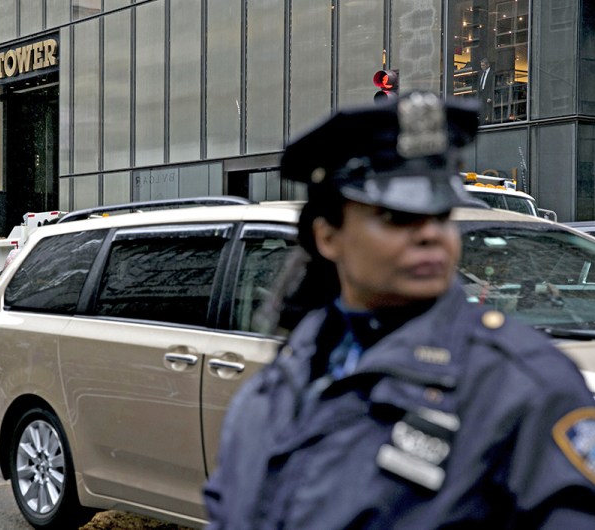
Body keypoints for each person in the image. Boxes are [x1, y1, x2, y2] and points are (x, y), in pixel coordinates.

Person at [203, 91, 595, 528]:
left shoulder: (522, 385)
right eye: (397, 217)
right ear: (328, 236)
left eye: (442, 214)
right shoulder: (285, 380)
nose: (432, 236)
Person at [478, 58, 494, 123]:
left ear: (488, 65)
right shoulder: (481, 73)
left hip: (487, 93)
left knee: (488, 109)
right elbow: (479, 84)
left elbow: (492, 85)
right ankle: (482, 121)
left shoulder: (492, 73)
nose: (482, 67)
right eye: (481, 65)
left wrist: (490, 96)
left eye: (483, 65)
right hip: (481, 93)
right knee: (482, 109)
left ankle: (489, 121)